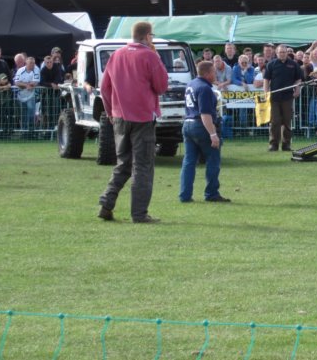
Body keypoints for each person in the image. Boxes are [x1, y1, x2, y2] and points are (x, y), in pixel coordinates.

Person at [97, 22, 168, 224]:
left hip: (120, 116)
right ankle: (139, 213)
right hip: (143, 117)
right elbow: (161, 86)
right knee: (143, 166)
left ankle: (106, 203)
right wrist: (157, 59)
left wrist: (111, 111)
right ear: (147, 37)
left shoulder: (116, 55)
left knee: (123, 164)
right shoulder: (149, 56)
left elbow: (105, 87)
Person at [179, 60, 230, 203]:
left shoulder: (191, 84)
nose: (215, 74)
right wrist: (213, 134)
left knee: (189, 161)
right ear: (207, 73)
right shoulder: (205, 88)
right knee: (213, 159)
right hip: (201, 126)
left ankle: (185, 195)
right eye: (213, 71)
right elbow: (205, 114)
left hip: (187, 124)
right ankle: (212, 193)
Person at [263, 43, 303, 151]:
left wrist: (297, 89)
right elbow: (266, 79)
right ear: (276, 53)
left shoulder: (294, 64)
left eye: (284, 52)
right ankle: (273, 144)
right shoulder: (271, 64)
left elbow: (298, 79)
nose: (282, 54)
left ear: (287, 53)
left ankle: (286, 144)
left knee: (287, 121)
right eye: (280, 52)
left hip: (288, 97)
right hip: (274, 97)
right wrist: (266, 92)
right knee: (274, 121)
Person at [13, 56, 40, 133]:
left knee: (31, 112)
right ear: (26, 63)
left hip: (31, 95)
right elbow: (16, 82)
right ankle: (24, 132)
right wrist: (26, 85)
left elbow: (35, 82)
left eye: (33, 63)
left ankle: (31, 132)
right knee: (23, 114)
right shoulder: (20, 70)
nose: (32, 65)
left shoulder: (36, 69)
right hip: (21, 96)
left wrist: (24, 84)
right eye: (31, 63)